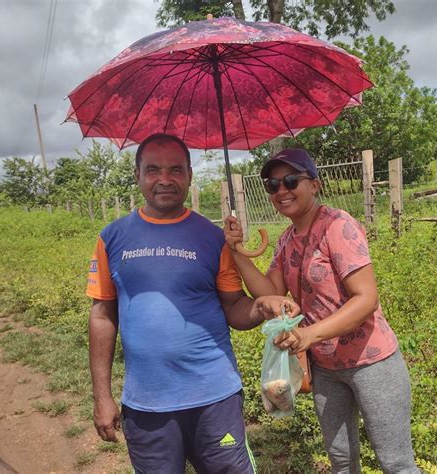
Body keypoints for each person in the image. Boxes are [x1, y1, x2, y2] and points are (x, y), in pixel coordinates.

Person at [86, 133, 299, 474]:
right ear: (138, 175)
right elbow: (102, 316)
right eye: (153, 169)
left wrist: (260, 307)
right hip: (147, 405)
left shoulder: (213, 238)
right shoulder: (112, 238)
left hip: (215, 398)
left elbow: (233, 307)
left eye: (176, 170)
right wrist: (102, 395)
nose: (165, 179)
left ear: (189, 175)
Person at [224, 149, 420, 474]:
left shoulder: (337, 227)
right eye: (273, 185)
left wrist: (308, 334)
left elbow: (366, 298)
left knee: (395, 463)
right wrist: (236, 251)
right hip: (326, 369)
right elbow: (269, 293)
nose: (281, 191)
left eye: (290, 180)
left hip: (372, 362)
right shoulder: (286, 239)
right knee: (341, 460)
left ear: (315, 184)